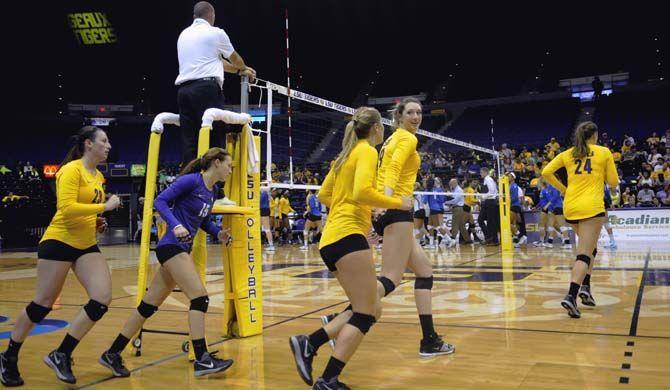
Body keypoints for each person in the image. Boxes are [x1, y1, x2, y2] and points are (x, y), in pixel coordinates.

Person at [288, 107, 412, 389]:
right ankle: (323, 370)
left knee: (368, 308)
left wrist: (356, 213)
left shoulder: (343, 156)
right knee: (367, 312)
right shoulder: (367, 152)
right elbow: (361, 192)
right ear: (377, 128)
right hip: (347, 237)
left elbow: (324, 195)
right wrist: (396, 203)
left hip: (331, 239)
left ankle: (313, 347)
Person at [99, 148, 235, 378]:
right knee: (200, 299)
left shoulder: (212, 192)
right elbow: (160, 201)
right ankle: (202, 359)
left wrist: (218, 233)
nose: (231, 170)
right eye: (229, 165)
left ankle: (112, 353)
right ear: (216, 162)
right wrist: (176, 225)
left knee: (146, 307)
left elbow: (201, 221)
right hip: (171, 246)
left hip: (180, 249)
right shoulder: (192, 181)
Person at [0, 126, 121, 386]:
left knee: (101, 299)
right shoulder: (71, 170)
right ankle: (9, 357)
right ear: (88, 144)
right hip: (59, 242)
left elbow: (84, 210)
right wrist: (105, 206)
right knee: (42, 304)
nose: (108, 145)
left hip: (85, 244)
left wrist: (97, 220)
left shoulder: (98, 175)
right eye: (104, 140)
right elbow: (66, 209)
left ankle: (61, 353)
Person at [542, 121, 619, 318]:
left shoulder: (568, 153)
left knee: (590, 249)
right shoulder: (603, 152)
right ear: (595, 136)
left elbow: (545, 173)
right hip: (591, 207)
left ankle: (586, 288)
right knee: (584, 254)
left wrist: (564, 189)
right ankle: (571, 295)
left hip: (571, 206)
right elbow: (613, 182)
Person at [175, 1, 256, 167]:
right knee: (215, 136)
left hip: (183, 91)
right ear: (212, 16)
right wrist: (244, 68)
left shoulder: (183, 35)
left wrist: (239, 71)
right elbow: (234, 59)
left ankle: (191, 183)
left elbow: (218, 62)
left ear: (194, 17)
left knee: (189, 141)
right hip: (206, 89)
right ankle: (215, 189)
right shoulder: (216, 33)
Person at [444, 178, 471, 244]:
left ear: (454, 183)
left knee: (454, 224)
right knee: (461, 226)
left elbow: (455, 201)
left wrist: (446, 202)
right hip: (457, 208)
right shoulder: (455, 190)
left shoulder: (459, 190)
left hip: (458, 208)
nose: (450, 185)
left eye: (451, 184)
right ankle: (468, 240)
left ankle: (452, 239)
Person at [478, 167, 500, 245]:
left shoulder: (488, 180)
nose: (480, 174)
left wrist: (483, 197)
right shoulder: (487, 180)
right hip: (487, 202)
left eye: (481, 172)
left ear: (485, 172)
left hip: (490, 202)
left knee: (491, 222)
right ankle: (489, 237)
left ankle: (494, 240)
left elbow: (491, 192)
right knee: (481, 220)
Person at [508, 173, 528, 247]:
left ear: (513, 178)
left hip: (515, 206)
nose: (507, 177)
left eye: (509, 176)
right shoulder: (509, 186)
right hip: (514, 206)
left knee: (508, 223)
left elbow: (517, 198)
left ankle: (520, 235)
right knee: (514, 224)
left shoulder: (515, 187)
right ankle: (516, 242)